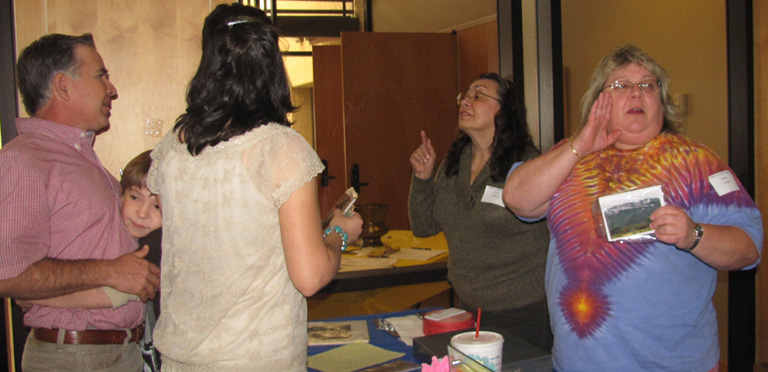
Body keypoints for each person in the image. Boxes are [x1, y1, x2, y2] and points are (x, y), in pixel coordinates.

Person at [503, 44, 763, 371]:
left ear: (662, 100)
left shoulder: (697, 161)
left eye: (647, 85)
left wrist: (692, 234)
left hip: (673, 363)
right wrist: (580, 145)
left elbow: (748, 248)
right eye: (621, 85)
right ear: (600, 101)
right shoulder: (569, 155)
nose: (636, 95)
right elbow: (516, 199)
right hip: (577, 363)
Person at [146, 4, 363, 371]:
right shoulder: (281, 149)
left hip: (182, 357)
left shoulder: (172, 146)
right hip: (256, 358)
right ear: (272, 62)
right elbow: (309, 277)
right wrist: (338, 234)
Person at [0, 33, 160, 371]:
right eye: (101, 75)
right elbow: (7, 275)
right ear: (63, 85)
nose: (111, 88)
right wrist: (111, 272)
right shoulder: (24, 159)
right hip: (74, 356)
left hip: (118, 352)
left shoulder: (81, 158)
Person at [408, 72, 552, 351]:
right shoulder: (454, 161)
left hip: (525, 311)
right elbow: (424, 227)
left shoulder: (528, 163)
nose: (465, 101)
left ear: (505, 110)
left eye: (478, 95)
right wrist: (423, 178)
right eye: (465, 95)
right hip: (469, 310)